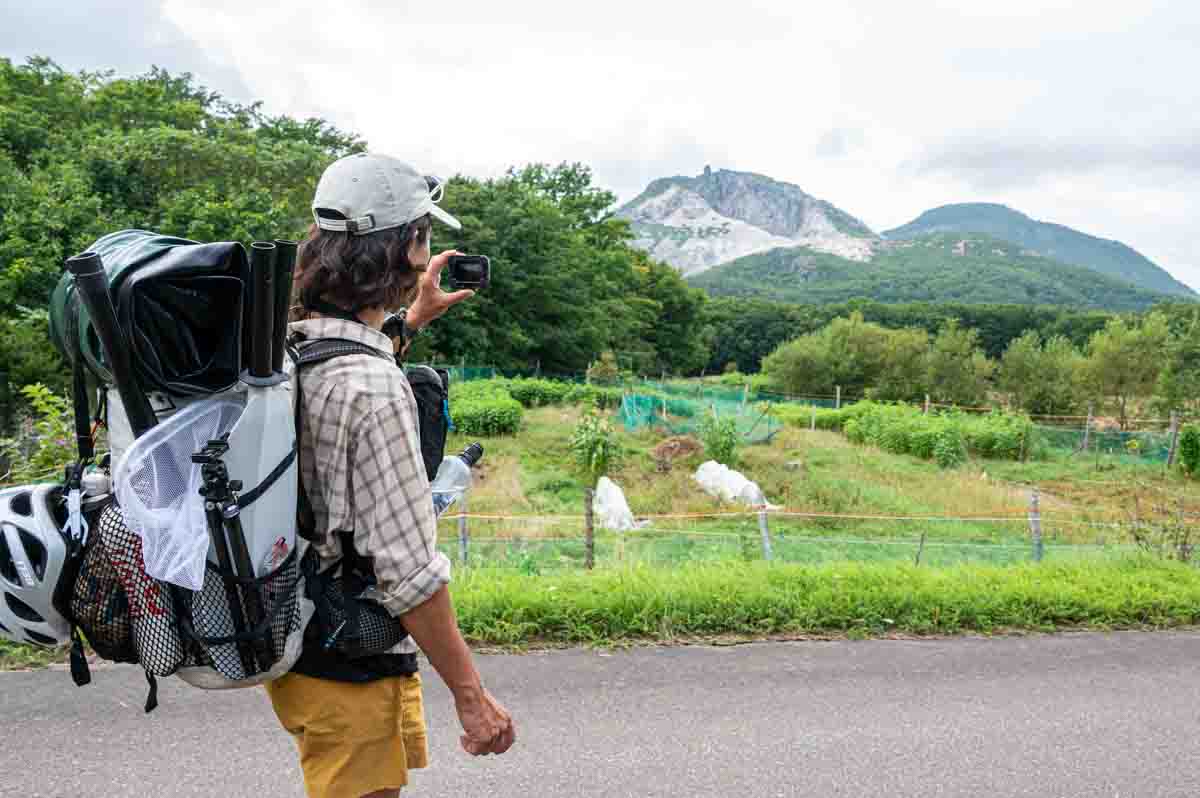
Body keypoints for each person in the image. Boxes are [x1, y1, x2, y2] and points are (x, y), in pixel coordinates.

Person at [265, 152, 516, 798]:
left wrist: (411, 321)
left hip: (309, 645)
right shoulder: (375, 390)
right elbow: (408, 572)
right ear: (405, 249)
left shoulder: (293, 344)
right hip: (349, 664)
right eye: (423, 237)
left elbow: (348, 358)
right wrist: (472, 696)